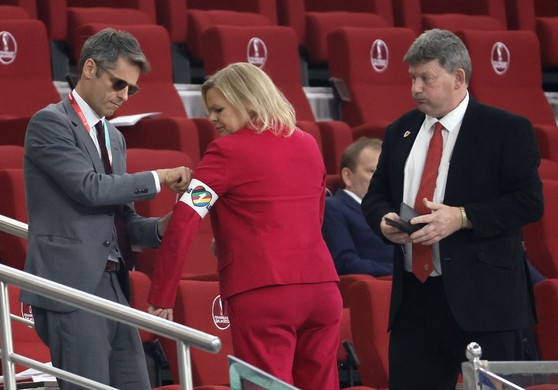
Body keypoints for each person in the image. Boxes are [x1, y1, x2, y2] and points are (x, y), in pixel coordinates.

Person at [361, 29, 544, 390]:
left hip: (485, 302)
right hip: (414, 301)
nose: (414, 88)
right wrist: (383, 221)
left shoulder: (505, 129)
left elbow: (528, 202)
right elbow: (375, 195)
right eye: (412, 78)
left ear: (458, 77)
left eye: (425, 78)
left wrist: (461, 217)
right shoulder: (401, 130)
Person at [148, 62, 342, 389]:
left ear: (247, 100)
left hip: (263, 294)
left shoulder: (225, 151)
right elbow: (312, 217)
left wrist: (162, 295)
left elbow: (183, 221)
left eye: (219, 109)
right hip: (322, 291)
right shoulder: (308, 143)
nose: (211, 119)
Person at [19, 28, 191, 390]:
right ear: (90, 68)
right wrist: (158, 176)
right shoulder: (49, 122)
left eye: (132, 89)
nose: (125, 96)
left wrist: (165, 227)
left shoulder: (115, 137)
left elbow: (123, 219)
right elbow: (89, 189)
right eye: (118, 84)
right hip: (71, 283)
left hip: (115, 282)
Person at [322, 137, 393, 276]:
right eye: (373, 172)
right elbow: (346, 263)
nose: (382, 180)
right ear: (348, 176)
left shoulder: (392, 208)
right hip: (372, 289)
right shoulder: (333, 208)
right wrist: (402, 272)